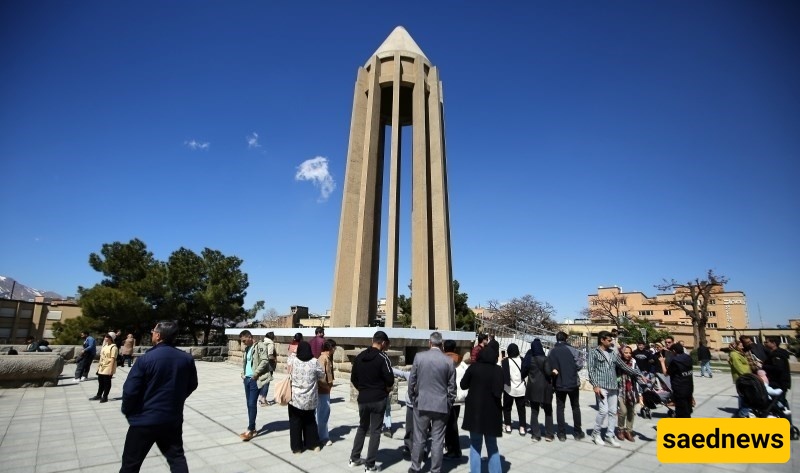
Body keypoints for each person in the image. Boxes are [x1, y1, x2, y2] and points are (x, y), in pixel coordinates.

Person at [120, 321, 198, 473]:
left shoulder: (145, 359)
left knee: (131, 464)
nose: (151, 333)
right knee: (177, 459)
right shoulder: (186, 359)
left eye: (153, 331)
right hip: (171, 418)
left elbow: (130, 390)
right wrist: (177, 398)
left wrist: (128, 411)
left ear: (158, 335)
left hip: (144, 420)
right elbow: (192, 384)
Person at [408, 332, 456, 473]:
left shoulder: (419, 357)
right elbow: (452, 386)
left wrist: (412, 397)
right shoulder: (448, 361)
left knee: (419, 437)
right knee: (437, 440)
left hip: (421, 402)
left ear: (429, 343)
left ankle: (415, 467)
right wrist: (449, 402)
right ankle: (435, 470)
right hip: (441, 404)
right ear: (441, 344)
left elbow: (412, 380)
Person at [587, 330, 644, 447]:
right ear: (602, 340)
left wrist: (638, 374)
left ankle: (609, 435)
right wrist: (595, 385)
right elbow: (591, 370)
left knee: (613, 412)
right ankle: (596, 433)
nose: (611, 342)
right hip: (601, 386)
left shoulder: (613, 353)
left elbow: (623, 366)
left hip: (613, 386)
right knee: (603, 411)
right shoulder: (594, 352)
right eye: (609, 340)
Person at [349, 331, 394, 472]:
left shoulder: (360, 356)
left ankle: (354, 458)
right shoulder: (383, 357)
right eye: (387, 345)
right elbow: (390, 379)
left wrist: (362, 389)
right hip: (378, 398)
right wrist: (385, 390)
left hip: (363, 398)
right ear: (383, 343)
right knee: (375, 431)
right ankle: (370, 465)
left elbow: (353, 378)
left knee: (362, 427)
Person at [461, 345, 503, 473]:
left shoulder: (473, 368)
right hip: (492, 413)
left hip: (475, 412)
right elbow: (499, 391)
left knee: (475, 445)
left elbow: (463, 385)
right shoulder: (498, 370)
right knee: (492, 446)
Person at [288, 341, 324, 454]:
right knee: (310, 421)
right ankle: (313, 444)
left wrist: (293, 353)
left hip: (295, 398)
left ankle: (297, 448)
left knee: (295, 422)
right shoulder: (314, 362)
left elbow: (288, 368)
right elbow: (321, 375)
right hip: (310, 398)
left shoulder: (293, 360)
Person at [548, 331, 584, 442]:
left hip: (558, 383)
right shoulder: (573, 350)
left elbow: (549, 365)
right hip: (572, 383)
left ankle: (561, 433)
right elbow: (579, 365)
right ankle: (577, 432)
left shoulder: (552, 351)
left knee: (560, 408)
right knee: (575, 407)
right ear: (566, 339)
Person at [238, 330, 271, 441]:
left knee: (252, 404)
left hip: (254, 380)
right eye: (241, 341)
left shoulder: (259, 346)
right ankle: (253, 427)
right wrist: (243, 374)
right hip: (247, 379)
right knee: (249, 404)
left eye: (244, 340)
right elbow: (246, 363)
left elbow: (265, 360)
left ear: (250, 337)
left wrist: (256, 374)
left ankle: (250, 429)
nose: (243, 343)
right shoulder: (247, 348)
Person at [522, 338, 554, 442]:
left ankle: (536, 434)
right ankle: (549, 434)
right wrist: (554, 373)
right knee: (548, 411)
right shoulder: (545, 359)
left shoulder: (530, 359)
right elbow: (549, 373)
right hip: (545, 388)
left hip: (533, 388)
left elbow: (524, 372)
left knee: (534, 411)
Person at [762, 336, 792, 423]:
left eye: (767, 342)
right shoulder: (774, 353)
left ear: (774, 343)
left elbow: (778, 368)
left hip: (779, 383)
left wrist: (764, 366)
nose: (765, 343)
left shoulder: (777, 354)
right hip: (778, 382)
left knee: (780, 404)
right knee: (780, 403)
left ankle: (787, 424)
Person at [615, 345, 643, 442]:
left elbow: (638, 373)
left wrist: (641, 391)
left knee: (631, 412)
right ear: (622, 353)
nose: (628, 354)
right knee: (623, 411)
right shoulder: (618, 362)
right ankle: (620, 429)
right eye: (626, 352)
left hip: (632, 390)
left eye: (629, 353)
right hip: (621, 390)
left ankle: (629, 431)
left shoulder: (634, 362)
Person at [659, 343, 694, 418]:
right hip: (689, 386)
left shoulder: (675, 361)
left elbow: (666, 373)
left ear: (674, 351)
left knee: (681, 410)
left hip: (679, 388)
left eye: (672, 351)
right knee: (687, 408)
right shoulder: (688, 357)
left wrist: (662, 362)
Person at [443, 341, 464, 459]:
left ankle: (453, 449)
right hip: (458, 398)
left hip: (447, 398)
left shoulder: (442, 361)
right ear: (455, 349)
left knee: (449, 425)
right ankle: (452, 447)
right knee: (453, 423)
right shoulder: (462, 363)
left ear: (444, 348)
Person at [500, 343, 526, 435]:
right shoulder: (523, 360)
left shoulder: (506, 361)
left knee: (507, 408)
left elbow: (503, 374)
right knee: (521, 409)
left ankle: (508, 426)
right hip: (521, 388)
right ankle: (522, 427)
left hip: (509, 389)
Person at [316, 339, 336, 446]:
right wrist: (326, 386)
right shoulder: (323, 358)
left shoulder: (326, 358)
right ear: (331, 348)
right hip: (323, 390)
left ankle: (319, 434)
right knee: (323, 413)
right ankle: (323, 437)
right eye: (334, 347)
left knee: (321, 413)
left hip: (324, 389)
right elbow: (320, 376)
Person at [91, 333, 118, 403]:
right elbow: (101, 357)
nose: (105, 338)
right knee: (100, 381)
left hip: (108, 366)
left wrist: (111, 369)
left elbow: (113, 359)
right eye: (105, 337)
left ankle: (105, 396)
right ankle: (99, 395)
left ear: (111, 338)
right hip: (102, 366)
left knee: (107, 382)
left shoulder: (114, 347)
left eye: (107, 337)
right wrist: (98, 366)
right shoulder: (105, 346)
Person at [728, 341, 752, 418]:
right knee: (744, 395)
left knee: (743, 395)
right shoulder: (734, 354)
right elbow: (738, 367)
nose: (742, 347)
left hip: (744, 376)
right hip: (742, 377)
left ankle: (742, 411)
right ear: (736, 346)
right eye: (740, 345)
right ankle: (743, 413)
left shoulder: (739, 353)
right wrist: (747, 375)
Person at [258, 332, 277, 406]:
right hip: (268, 365)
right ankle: (263, 399)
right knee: (267, 382)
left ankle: (260, 398)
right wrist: (275, 359)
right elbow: (270, 355)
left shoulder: (262, 343)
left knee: (262, 381)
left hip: (262, 364)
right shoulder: (271, 344)